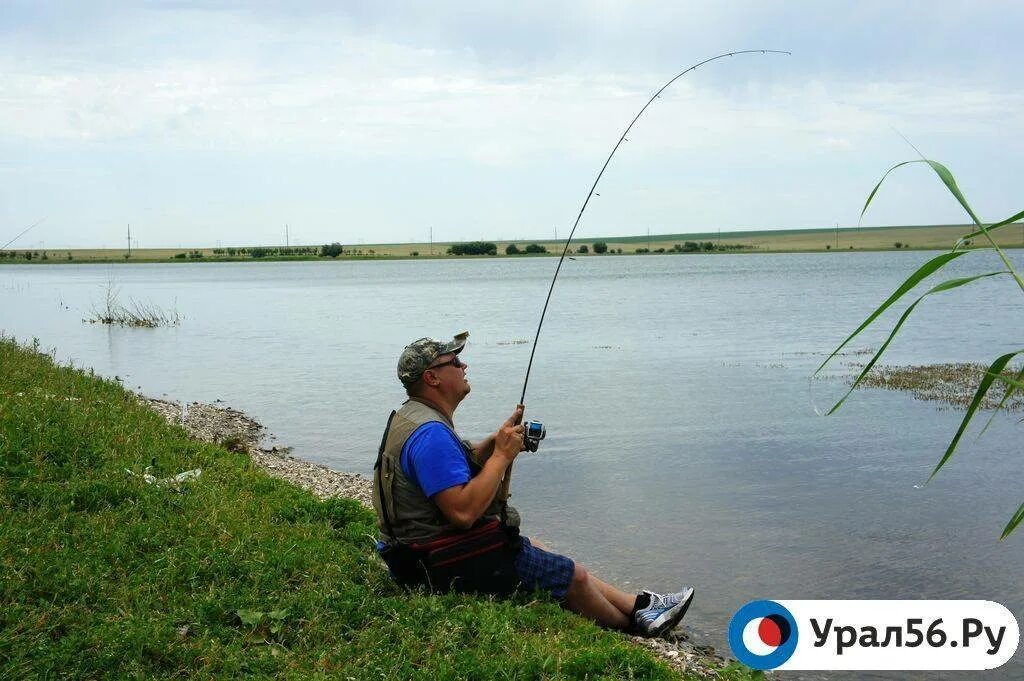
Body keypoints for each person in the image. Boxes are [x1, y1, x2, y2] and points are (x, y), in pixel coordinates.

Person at [372, 332, 694, 638]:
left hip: (412, 558)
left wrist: (496, 443)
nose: (463, 365)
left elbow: (453, 465)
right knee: (573, 577)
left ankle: (641, 606)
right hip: (434, 565)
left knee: (535, 548)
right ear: (432, 377)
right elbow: (463, 512)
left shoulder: (414, 418)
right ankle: (635, 629)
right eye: (454, 361)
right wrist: (501, 456)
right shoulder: (431, 434)